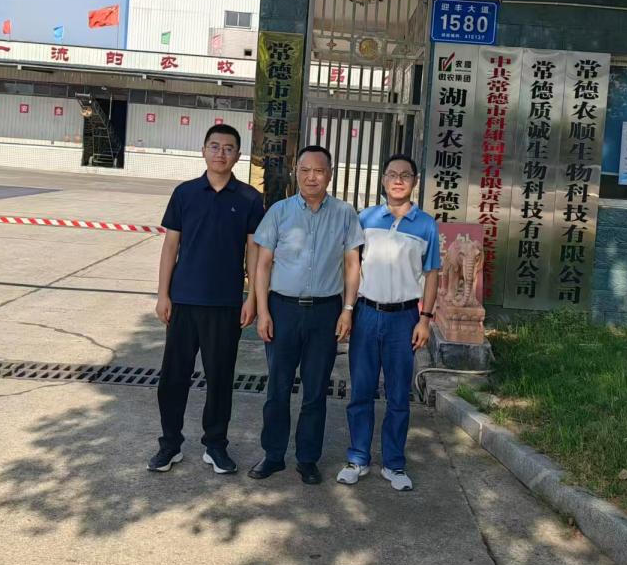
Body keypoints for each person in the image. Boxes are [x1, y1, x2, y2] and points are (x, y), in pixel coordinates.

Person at [148, 124, 264, 475]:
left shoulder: (249, 198)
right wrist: (163, 294)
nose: (220, 153)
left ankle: (216, 445)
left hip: (226, 304)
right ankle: (169, 445)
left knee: (220, 378)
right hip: (183, 301)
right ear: (203, 150)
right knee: (173, 378)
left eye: (228, 148)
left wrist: (251, 298)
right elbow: (171, 246)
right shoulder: (184, 193)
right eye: (214, 146)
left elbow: (253, 251)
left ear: (238, 155)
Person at [248, 145, 364, 485]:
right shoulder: (279, 212)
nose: (311, 177)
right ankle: (273, 455)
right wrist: (263, 311)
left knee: (315, 390)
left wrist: (347, 310)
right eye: (305, 170)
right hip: (282, 309)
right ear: (295, 172)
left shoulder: (344, 214)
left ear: (330, 174)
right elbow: (262, 265)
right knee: (278, 387)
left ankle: (307, 458)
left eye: (319, 170)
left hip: (325, 312)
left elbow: (352, 265)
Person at [336, 153, 439, 491]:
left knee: (398, 395)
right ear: (382, 180)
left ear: (414, 182)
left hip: (404, 318)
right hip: (366, 313)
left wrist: (425, 319)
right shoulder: (365, 218)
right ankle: (358, 457)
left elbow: (432, 274)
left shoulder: (426, 225)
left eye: (405, 175)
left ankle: (394, 463)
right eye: (392, 174)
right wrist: (348, 309)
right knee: (361, 390)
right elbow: (353, 267)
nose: (398, 180)